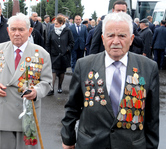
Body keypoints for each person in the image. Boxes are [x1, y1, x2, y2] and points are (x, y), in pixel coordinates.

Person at [61, 12, 159, 149]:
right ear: (103, 38)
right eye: (110, 35)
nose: (116, 41)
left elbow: (152, 118)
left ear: (131, 39)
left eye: (122, 36)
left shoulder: (148, 67)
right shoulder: (84, 65)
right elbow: (72, 107)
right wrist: (68, 139)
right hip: (91, 144)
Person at [0, 13, 52, 149]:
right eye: (13, 29)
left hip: (28, 115)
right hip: (3, 114)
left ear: (30, 31)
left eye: (21, 29)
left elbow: (47, 82)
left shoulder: (41, 53)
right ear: (8, 31)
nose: (17, 33)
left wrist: (36, 91)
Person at [46, 16, 74, 95]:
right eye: (54, 23)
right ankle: (51, 89)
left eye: (57, 24)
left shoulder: (67, 31)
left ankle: (60, 86)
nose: (55, 25)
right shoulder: (52, 31)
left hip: (63, 56)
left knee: (62, 73)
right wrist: (48, 53)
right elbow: (48, 43)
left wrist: (67, 49)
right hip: (54, 56)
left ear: (62, 23)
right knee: (53, 72)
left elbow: (72, 43)